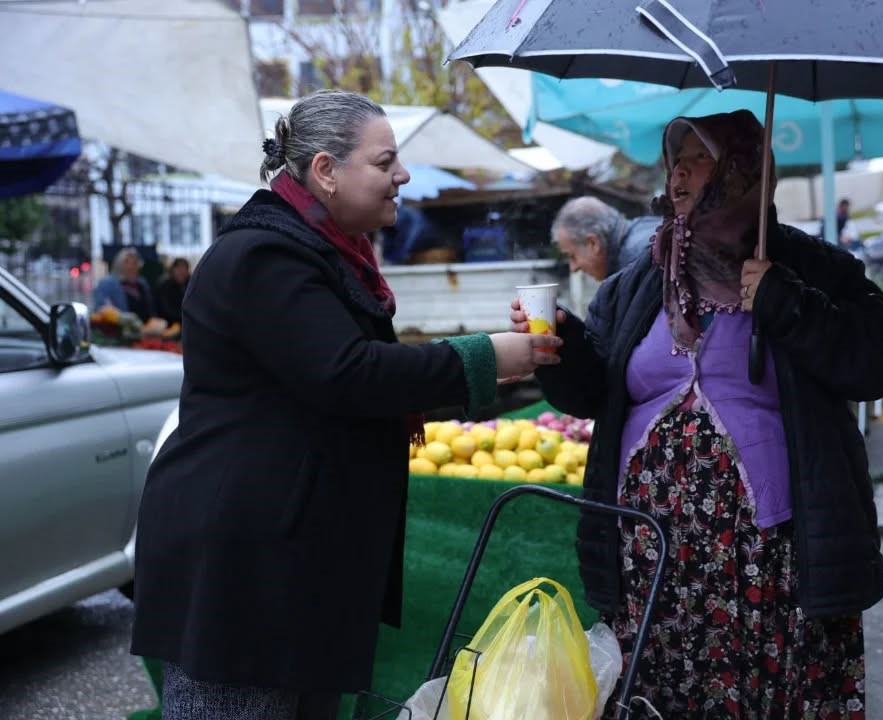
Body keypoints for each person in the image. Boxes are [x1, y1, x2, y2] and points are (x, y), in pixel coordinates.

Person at [130, 90, 560, 720]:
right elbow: (348, 372)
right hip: (243, 559)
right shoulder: (263, 255)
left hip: (291, 548)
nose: (403, 176)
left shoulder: (325, 252)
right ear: (326, 170)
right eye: (385, 162)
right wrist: (485, 356)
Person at [512, 110, 883, 718]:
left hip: (768, 553)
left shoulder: (812, 268)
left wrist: (784, 299)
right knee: (662, 692)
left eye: (703, 160)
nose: (681, 175)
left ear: (743, 170)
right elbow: (595, 395)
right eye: (678, 161)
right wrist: (558, 344)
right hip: (653, 547)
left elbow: (878, 362)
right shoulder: (639, 279)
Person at [551, 196, 660, 280]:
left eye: (572, 256)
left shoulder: (637, 263)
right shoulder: (646, 227)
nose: (573, 268)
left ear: (593, 243)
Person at [93, 247, 156, 322]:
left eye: (135, 262)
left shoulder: (142, 284)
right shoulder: (108, 284)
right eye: (127, 262)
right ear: (119, 263)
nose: (131, 266)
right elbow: (101, 309)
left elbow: (150, 309)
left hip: (145, 327)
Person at [155, 257, 190, 326]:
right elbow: (165, 311)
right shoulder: (164, 286)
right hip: (167, 323)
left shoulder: (190, 285)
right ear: (173, 270)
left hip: (186, 322)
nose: (181, 272)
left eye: (184, 268)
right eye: (178, 268)